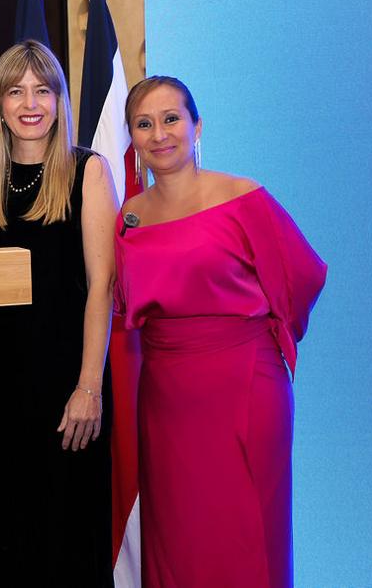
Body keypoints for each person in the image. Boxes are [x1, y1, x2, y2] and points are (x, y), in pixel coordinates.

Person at [114, 76, 327, 588]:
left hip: (244, 387)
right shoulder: (129, 216)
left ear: (197, 126)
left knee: (247, 531)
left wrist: (255, 340)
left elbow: (303, 274)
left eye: (171, 119)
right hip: (166, 399)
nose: (159, 134)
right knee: (177, 535)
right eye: (144, 124)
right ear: (132, 138)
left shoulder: (244, 197)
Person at [0, 40, 118, 586]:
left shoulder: (88, 171)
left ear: (59, 99)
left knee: (69, 540)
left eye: (42, 90)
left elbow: (102, 287)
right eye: (16, 91)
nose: (30, 103)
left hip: (70, 388)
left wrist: (89, 387)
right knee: (6, 537)